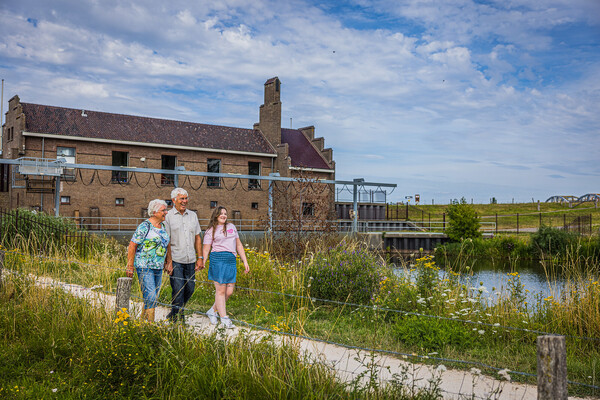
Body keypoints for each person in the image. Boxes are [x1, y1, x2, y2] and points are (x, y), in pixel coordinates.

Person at [203, 206, 250, 328]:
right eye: (221, 213)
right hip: (217, 260)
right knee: (221, 290)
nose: (224, 215)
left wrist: (245, 261)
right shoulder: (210, 230)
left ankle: (213, 311)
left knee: (229, 291)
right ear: (216, 215)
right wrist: (203, 261)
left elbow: (238, 245)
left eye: (225, 213)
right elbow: (207, 247)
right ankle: (224, 319)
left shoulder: (231, 227)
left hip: (231, 260)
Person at [126, 199, 170, 323]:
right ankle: (151, 325)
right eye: (163, 210)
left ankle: (142, 323)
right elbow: (132, 245)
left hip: (158, 266)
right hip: (144, 266)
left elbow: (167, 244)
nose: (166, 212)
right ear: (154, 212)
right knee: (151, 297)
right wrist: (130, 266)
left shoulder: (163, 226)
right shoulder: (145, 226)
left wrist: (168, 261)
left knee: (152, 297)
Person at [164, 188, 203, 323]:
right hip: (176, 259)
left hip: (190, 259)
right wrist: (168, 261)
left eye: (186, 198)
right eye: (182, 199)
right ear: (174, 200)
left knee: (190, 289)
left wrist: (200, 257)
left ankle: (174, 312)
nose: (185, 201)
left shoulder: (193, 215)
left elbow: (197, 237)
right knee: (178, 289)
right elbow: (166, 240)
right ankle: (179, 319)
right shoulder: (167, 216)